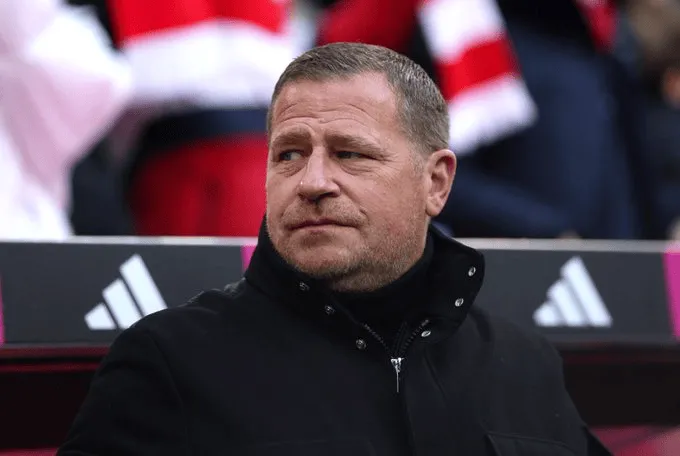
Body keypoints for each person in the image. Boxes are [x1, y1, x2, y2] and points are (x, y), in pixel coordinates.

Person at [57, 43, 611, 455]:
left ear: (436, 182)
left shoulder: (525, 365)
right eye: (289, 155)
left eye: (350, 154)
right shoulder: (170, 362)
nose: (313, 182)